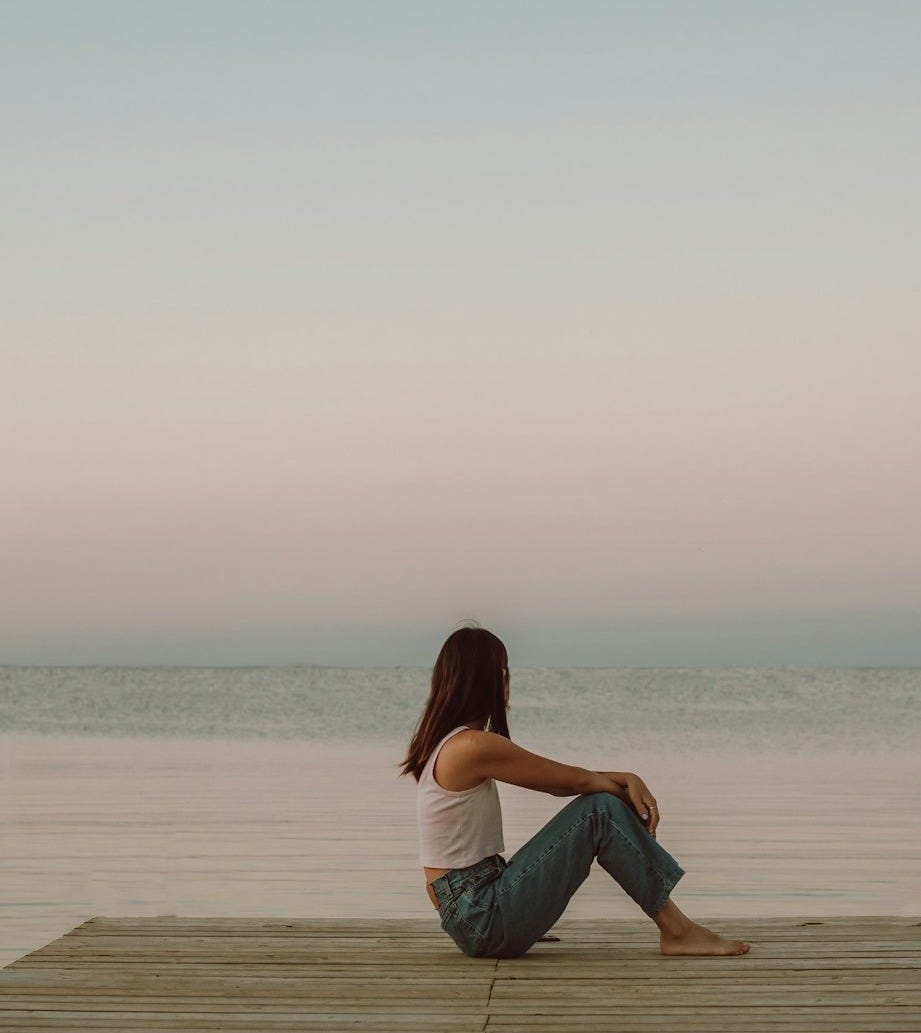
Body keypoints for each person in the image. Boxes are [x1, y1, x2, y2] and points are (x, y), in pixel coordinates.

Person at [400, 626, 751, 959]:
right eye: (504, 672)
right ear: (488, 680)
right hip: (482, 918)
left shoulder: (449, 744)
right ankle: (676, 931)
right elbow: (566, 783)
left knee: (600, 805)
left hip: (476, 907)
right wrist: (625, 783)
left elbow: (567, 780)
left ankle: (675, 928)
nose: (507, 681)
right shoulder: (472, 746)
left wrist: (623, 780)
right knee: (599, 811)